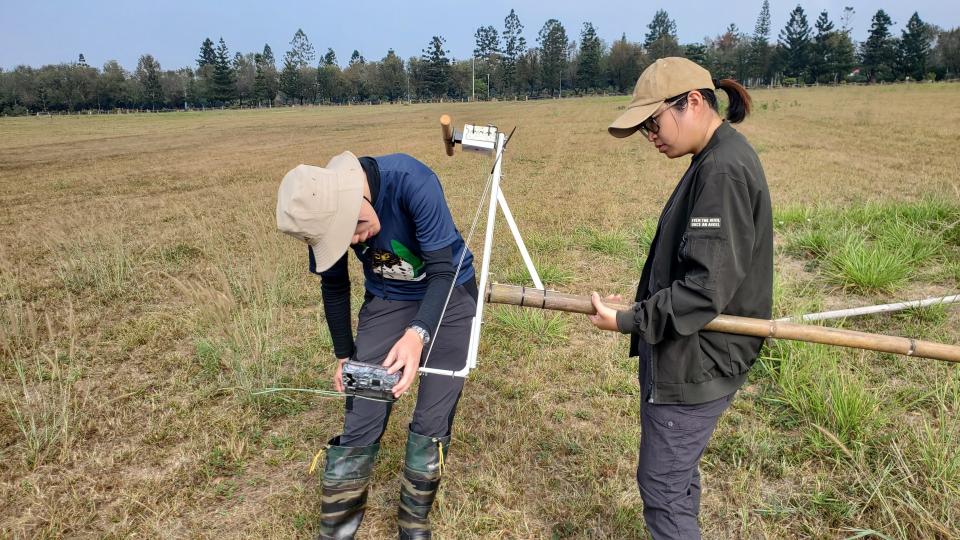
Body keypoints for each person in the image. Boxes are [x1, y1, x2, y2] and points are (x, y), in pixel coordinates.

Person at [586, 57, 773, 539]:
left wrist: (631, 320)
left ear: (692, 102)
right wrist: (637, 306)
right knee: (675, 477)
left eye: (654, 121)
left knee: (663, 488)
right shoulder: (712, 158)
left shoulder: (723, 171)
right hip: (690, 350)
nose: (651, 135)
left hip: (697, 359)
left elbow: (705, 288)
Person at [276, 151, 477, 540]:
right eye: (343, 239)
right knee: (363, 407)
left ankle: (414, 522)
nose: (354, 241)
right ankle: (337, 528)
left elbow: (441, 270)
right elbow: (334, 285)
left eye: (352, 228)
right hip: (388, 297)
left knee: (433, 417)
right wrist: (344, 356)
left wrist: (417, 335)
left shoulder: (412, 181)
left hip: (449, 291)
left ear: (357, 197)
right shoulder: (320, 210)